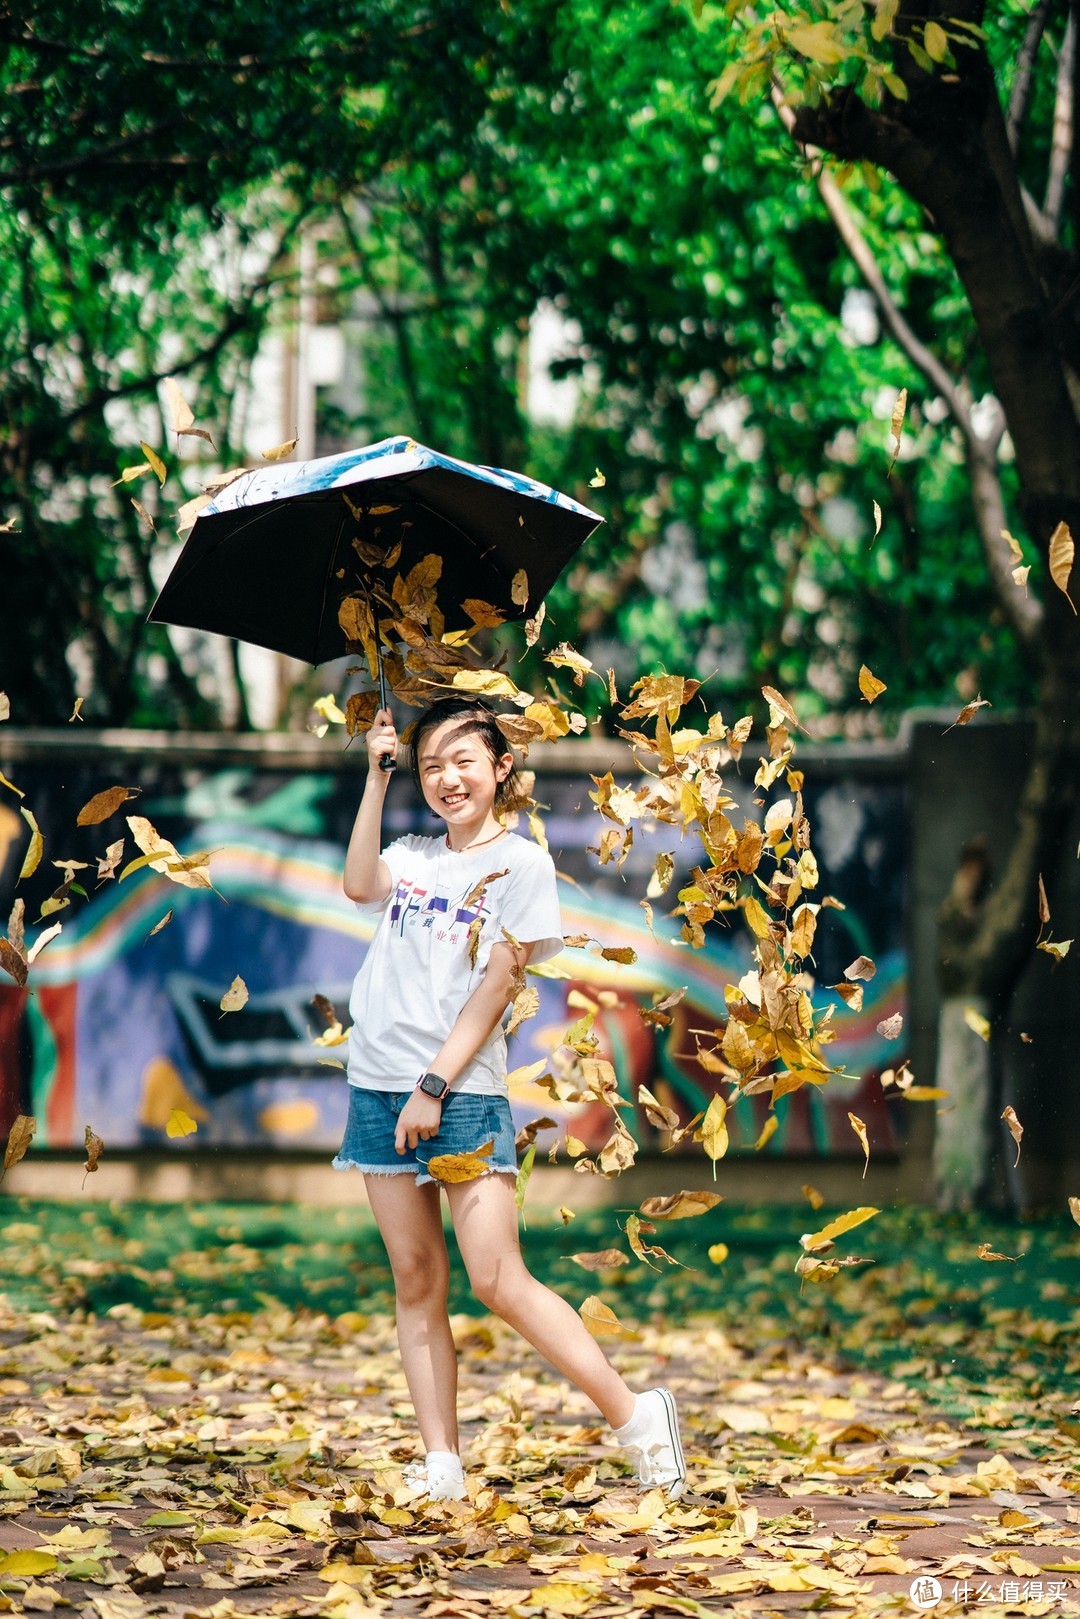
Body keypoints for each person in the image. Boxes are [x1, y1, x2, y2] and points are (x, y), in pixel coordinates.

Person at [333, 695, 686, 1502]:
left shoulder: (520, 865)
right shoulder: (414, 854)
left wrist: (434, 1085)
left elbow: (498, 985)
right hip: (374, 1086)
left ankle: (637, 1416)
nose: (446, 777)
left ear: (502, 767)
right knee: (416, 1279)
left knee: (496, 1277)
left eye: (463, 760)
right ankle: (442, 1465)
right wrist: (375, 779)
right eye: (430, 764)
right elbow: (359, 883)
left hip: (455, 1093)